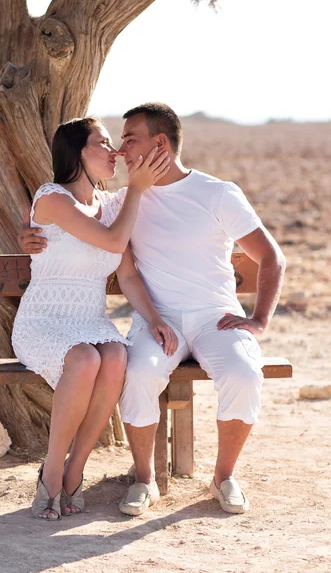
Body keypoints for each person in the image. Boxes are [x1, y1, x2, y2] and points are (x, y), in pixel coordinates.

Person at [19, 103, 286, 517]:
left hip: (207, 317)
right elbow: (67, 216)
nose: (120, 151)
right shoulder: (126, 200)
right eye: (112, 141)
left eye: (128, 139)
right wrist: (28, 233)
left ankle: (223, 476)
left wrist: (259, 319)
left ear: (160, 144)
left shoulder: (203, 194)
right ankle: (137, 479)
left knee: (237, 372)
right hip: (106, 321)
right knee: (130, 367)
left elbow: (270, 257)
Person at [12, 116, 178, 520]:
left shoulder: (113, 205)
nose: (115, 152)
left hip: (90, 320)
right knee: (86, 358)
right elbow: (112, 240)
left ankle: (76, 468)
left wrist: (153, 317)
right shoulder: (51, 197)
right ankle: (52, 472)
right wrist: (135, 192)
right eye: (103, 144)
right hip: (44, 321)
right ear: (77, 153)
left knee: (116, 357)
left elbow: (127, 273)